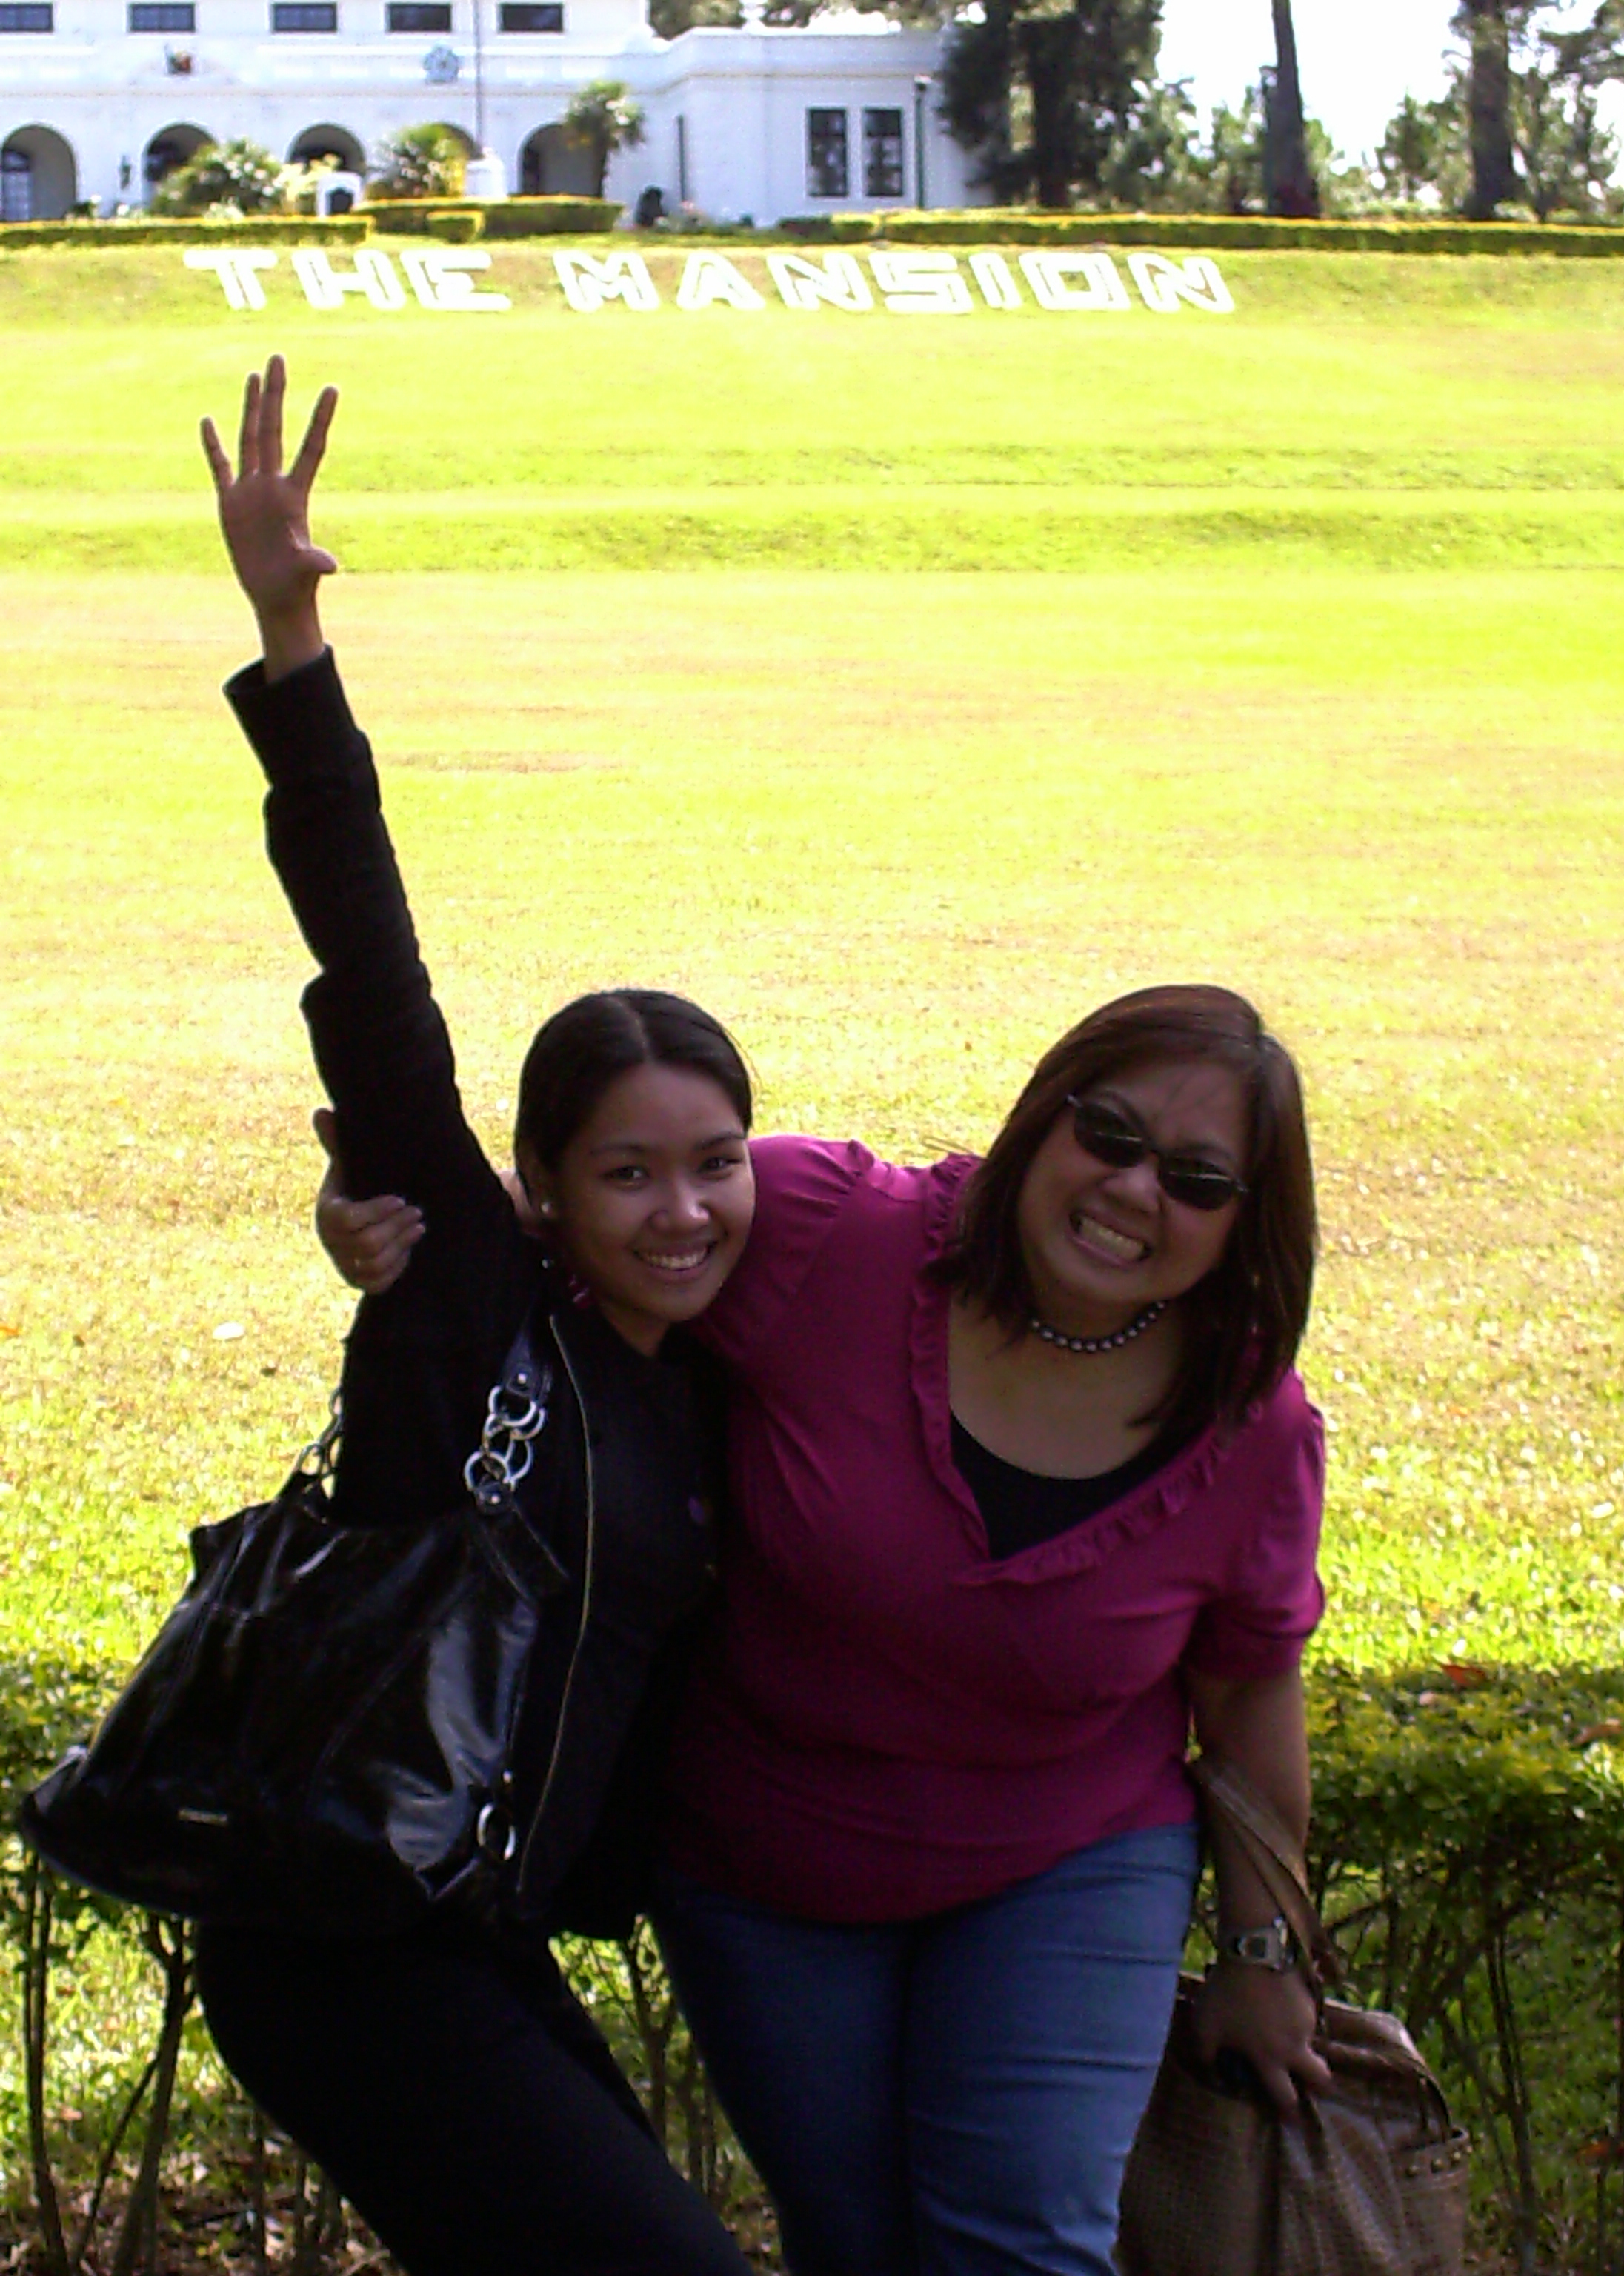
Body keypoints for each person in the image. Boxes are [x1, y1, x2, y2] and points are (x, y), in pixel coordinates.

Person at [328, 1011, 1333, 2276]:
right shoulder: (828, 1233)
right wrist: (392, 1224)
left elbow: (1248, 1696)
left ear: (1244, 1220)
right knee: (856, 2245)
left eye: (1196, 1179)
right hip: (771, 1864)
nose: (1135, 1191)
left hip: (1070, 1857)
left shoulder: (1252, 1427)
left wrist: (1263, 1957)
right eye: (1112, 1136)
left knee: (1021, 2238)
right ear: (1046, 1116)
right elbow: (607, 1213)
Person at [190, 356, 759, 2276]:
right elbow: (372, 960)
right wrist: (293, 639)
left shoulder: (712, 1381)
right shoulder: (470, 1308)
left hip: (474, 1936)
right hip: (335, 1935)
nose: (683, 1213)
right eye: (628, 1172)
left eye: (716, 1163)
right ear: (539, 1186)